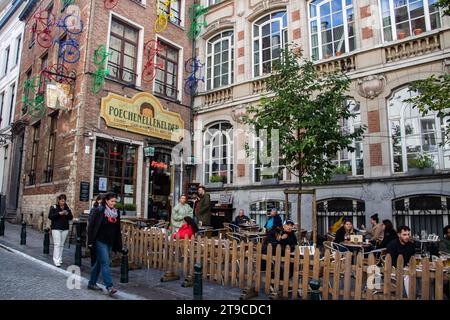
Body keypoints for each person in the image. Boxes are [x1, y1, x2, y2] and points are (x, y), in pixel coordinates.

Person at [87, 192, 122, 295]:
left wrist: (117, 243)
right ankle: (109, 286)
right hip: (99, 241)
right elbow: (91, 227)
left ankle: (92, 283)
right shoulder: (99, 210)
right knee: (105, 262)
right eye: (112, 201)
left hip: (110, 242)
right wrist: (90, 242)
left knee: (99, 263)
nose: (114, 203)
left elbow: (117, 229)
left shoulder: (116, 212)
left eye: (115, 201)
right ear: (106, 201)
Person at [48, 194, 73, 267]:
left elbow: (71, 217)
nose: (63, 202)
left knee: (62, 244)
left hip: (65, 228)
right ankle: (56, 260)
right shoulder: (54, 207)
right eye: (62, 201)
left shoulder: (67, 208)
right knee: (57, 244)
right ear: (59, 200)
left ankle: (60, 258)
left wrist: (67, 213)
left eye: (64, 201)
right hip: (56, 228)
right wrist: (59, 213)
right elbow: (50, 216)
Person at [88, 194, 104, 267]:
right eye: (102, 200)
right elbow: (91, 223)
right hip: (95, 235)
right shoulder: (95, 209)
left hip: (102, 236)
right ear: (98, 200)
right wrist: (90, 240)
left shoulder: (105, 210)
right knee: (94, 255)